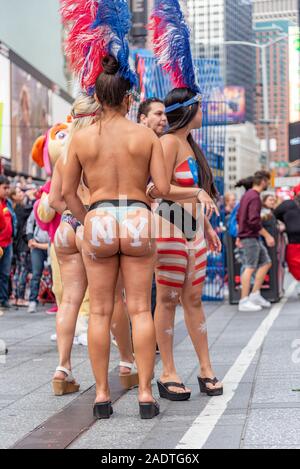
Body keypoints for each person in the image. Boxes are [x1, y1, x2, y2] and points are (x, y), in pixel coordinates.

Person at [62, 54, 169, 420]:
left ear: (97, 96)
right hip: (138, 215)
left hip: (100, 216)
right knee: (140, 308)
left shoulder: (82, 138)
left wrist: (87, 218)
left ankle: (102, 397)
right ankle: (143, 393)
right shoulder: (145, 135)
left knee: (102, 311)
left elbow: (66, 193)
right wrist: (147, 195)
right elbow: (164, 186)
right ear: (128, 99)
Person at [49, 94, 139, 395]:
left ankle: (63, 368)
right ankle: (127, 363)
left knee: (70, 301)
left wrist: (73, 217)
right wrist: (88, 218)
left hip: (65, 227)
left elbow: (54, 200)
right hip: (92, 225)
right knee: (112, 300)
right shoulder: (95, 147)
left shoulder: (65, 152)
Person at [147, 87, 223, 400]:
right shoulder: (166, 143)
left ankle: (206, 369)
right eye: (201, 107)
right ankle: (167, 372)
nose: (204, 113)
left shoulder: (189, 144)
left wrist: (206, 227)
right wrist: (195, 194)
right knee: (166, 299)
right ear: (190, 110)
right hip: (168, 226)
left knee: (193, 300)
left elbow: (192, 192)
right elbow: (155, 189)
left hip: (192, 230)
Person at [138, 98, 168, 324]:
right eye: (158, 114)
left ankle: (148, 337)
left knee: (154, 281)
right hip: (135, 219)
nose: (164, 119)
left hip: (157, 221)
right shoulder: (137, 144)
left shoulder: (162, 144)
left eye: (165, 114)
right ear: (143, 118)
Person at [237, 171, 275, 312]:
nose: (268, 184)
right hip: (250, 236)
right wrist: (267, 236)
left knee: (266, 263)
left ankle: (254, 294)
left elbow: (240, 217)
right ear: (263, 181)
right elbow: (253, 221)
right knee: (250, 266)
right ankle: (244, 300)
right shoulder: (254, 197)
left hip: (250, 236)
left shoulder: (247, 195)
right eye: (268, 181)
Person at [274, 185, 300, 292]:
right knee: (294, 264)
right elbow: (275, 214)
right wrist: (285, 224)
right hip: (294, 240)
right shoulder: (288, 204)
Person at [10, 187, 33, 307]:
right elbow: (32, 208)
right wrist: (30, 197)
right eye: (19, 192)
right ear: (13, 196)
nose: (22, 193)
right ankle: (20, 298)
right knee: (22, 271)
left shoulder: (13, 208)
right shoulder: (20, 208)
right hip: (22, 245)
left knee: (17, 271)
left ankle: (14, 296)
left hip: (16, 245)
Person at [26, 209, 50, 313]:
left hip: (51, 243)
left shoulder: (57, 203)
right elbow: (30, 222)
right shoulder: (38, 205)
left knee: (55, 273)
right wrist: (30, 238)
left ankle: (60, 303)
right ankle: (32, 301)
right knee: (36, 274)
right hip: (37, 244)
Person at [0, 176, 17, 309]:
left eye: (8, 188)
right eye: (4, 188)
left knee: (5, 273)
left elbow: (13, 221)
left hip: (8, 243)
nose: (7, 191)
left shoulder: (8, 203)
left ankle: (4, 299)